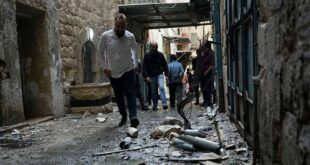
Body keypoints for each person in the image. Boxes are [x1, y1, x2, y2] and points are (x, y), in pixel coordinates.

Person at [99, 13, 139, 128]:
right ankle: (123, 116)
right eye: (118, 26)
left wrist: (135, 65)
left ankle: (133, 117)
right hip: (114, 73)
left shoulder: (130, 36)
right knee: (119, 97)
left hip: (128, 70)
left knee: (131, 93)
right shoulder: (105, 36)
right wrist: (104, 68)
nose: (120, 29)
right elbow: (100, 53)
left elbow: (135, 51)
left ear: (126, 25)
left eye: (123, 26)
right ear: (114, 24)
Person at [142, 42, 169, 111]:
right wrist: (146, 76)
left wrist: (166, 74)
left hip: (159, 74)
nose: (154, 48)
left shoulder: (160, 55)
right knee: (153, 91)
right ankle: (155, 104)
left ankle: (164, 103)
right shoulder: (147, 56)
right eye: (153, 47)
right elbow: (144, 66)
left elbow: (165, 65)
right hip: (152, 76)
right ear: (151, 47)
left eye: (155, 47)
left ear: (157, 47)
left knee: (162, 87)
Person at [200, 42, 214, 107]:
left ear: (207, 48)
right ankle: (205, 101)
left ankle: (208, 102)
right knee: (203, 88)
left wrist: (206, 72)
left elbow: (211, 65)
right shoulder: (204, 55)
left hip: (208, 74)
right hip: (203, 74)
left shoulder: (210, 54)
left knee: (207, 88)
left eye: (204, 48)